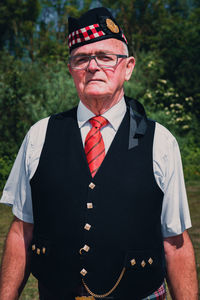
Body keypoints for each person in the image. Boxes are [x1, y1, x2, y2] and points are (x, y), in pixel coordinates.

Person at [0, 7, 198, 300]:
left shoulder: (162, 142)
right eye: (81, 59)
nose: (93, 66)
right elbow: (21, 231)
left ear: (128, 67)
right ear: (71, 70)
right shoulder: (38, 136)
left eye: (105, 57)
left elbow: (175, 242)